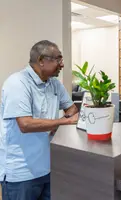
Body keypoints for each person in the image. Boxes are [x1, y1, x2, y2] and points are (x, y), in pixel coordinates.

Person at [0, 40, 79, 200]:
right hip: (21, 173)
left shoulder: (54, 84)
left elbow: (72, 110)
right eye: (58, 59)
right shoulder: (18, 83)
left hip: (48, 168)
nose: (62, 64)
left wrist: (57, 123)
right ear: (42, 60)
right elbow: (25, 124)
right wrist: (62, 122)